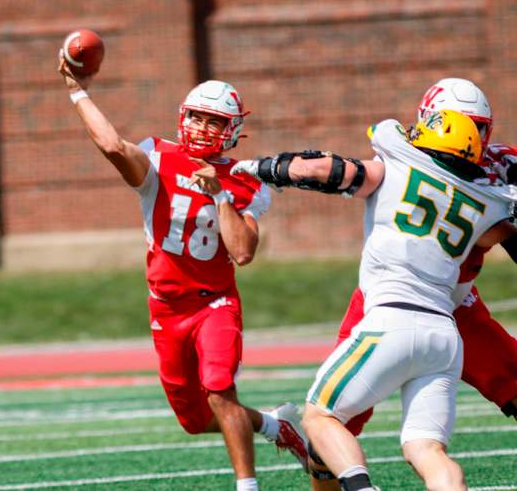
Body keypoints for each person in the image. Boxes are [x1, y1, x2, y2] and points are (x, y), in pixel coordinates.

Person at [231, 107, 516, 490]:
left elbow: (326, 171)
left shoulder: (397, 163)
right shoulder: (488, 201)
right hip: (444, 336)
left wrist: (265, 168)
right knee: (427, 450)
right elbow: (495, 233)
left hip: (390, 319)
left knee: (319, 417)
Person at [58, 55, 308, 490]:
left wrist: (221, 196)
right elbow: (114, 147)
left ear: (231, 131)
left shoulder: (245, 179)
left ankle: (246, 486)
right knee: (194, 419)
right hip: (167, 307)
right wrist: (77, 90)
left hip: (215, 301)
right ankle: (275, 426)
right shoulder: (158, 157)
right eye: (197, 117)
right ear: (182, 116)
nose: (203, 128)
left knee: (219, 389)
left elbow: (243, 253)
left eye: (214, 121)